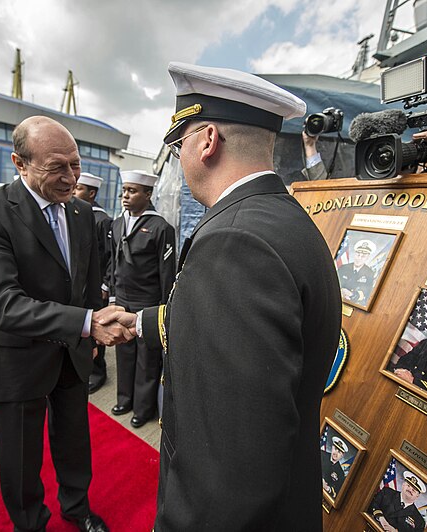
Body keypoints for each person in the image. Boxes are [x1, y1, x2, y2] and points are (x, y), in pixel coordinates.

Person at [102, 62, 341, 530]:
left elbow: (231, 464)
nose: (178, 159)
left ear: (206, 139)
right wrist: (140, 322)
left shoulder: (235, 240)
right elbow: (229, 329)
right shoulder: (278, 217)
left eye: (178, 145)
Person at [0, 116, 132, 532]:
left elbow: (89, 281)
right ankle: (31, 523)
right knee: (21, 458)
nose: (71, 177)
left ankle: (78, 508)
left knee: (75, 442)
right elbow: (1, 304)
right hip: (18, 360)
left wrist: (90, 330)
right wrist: (88, 323)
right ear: (20, 163)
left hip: (72, 355)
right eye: (58, 166)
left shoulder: (80, 212)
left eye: (75, 164)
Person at [107, 170, 176, 428]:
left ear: (148, 194)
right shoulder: (117, 223)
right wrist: (113, 295)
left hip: (148, 302)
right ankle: (124, 398)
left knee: (147, 358)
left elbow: (166, 272)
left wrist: (163, 308)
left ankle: (143, 408)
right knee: (123, 353)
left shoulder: (161, 228)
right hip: (123, 299)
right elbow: (113, 262)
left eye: (133, 191)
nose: (126, 195)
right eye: (124, 190)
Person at [73, 172, 112, 394]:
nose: (74, 191)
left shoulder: (101, 219)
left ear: (91, 193)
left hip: (95, 286)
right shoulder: (74, 213)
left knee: (96, 328)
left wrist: (105, 284)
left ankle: (98, 372)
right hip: (79, 285)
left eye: (79, 188)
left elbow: (109, 256)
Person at [337, 239, 376, 305]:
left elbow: (366, 292)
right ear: (354, 254)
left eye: (363, 256)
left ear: (367, 257)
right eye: (358, 254)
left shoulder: (370, 273)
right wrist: (340, 290)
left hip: (355, 303)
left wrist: (352, 295)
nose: (359, 258)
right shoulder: (343, 268)